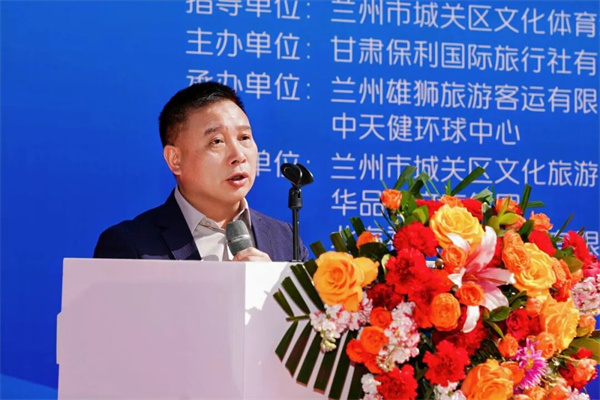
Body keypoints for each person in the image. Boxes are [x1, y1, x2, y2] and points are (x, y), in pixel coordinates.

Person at [94, 82, 308, 262]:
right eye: (217, 141)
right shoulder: (131, 245)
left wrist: (272, 286)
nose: (238, 155)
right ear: (175, 159)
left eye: (244, 138)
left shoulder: (285, 239)